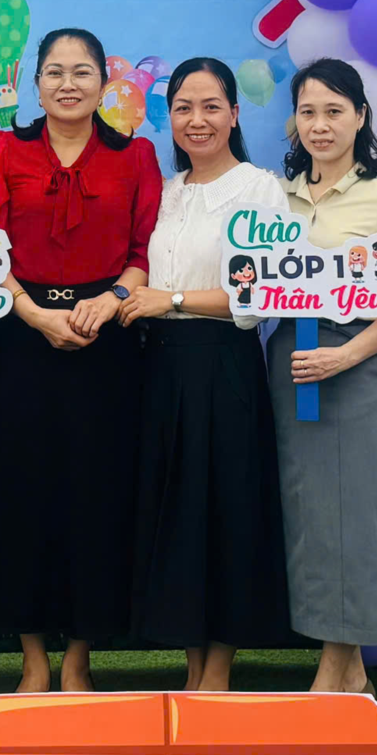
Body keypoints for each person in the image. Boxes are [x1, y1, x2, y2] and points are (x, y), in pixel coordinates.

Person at [0, 27, 160, 693]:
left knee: (96, 498)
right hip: (21, 336)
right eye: (55, 71)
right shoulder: (3, 149)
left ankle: (79, 656)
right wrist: (33, 314)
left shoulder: (136, 155)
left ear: (103, 83)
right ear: (36, 83)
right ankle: (31, 658)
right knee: (20, 493)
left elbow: (145, 251)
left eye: (82, 72)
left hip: (107, 341)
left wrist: (111, 301)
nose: (68, 84)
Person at [121, 56, 290, 690]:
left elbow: (260, 296)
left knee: (225, 512)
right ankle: (192, 668)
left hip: (223, 366)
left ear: (235, 114)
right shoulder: (165, 191)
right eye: (183, 108)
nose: (198, 120)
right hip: (159, 369)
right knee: (177, 516)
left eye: (211, 106)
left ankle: (217, 674)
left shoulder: (259, 190)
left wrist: (170, 299)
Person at [269, 59, 377, 694]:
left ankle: (334, 669)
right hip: (289, 362)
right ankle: (349, 668)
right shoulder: (275, 198)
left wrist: (345, 356)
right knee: (307, 513)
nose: (320, 125)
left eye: (334, 111)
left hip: (353, 364)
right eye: (308, 112)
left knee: (355, 514)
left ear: (360, 117)